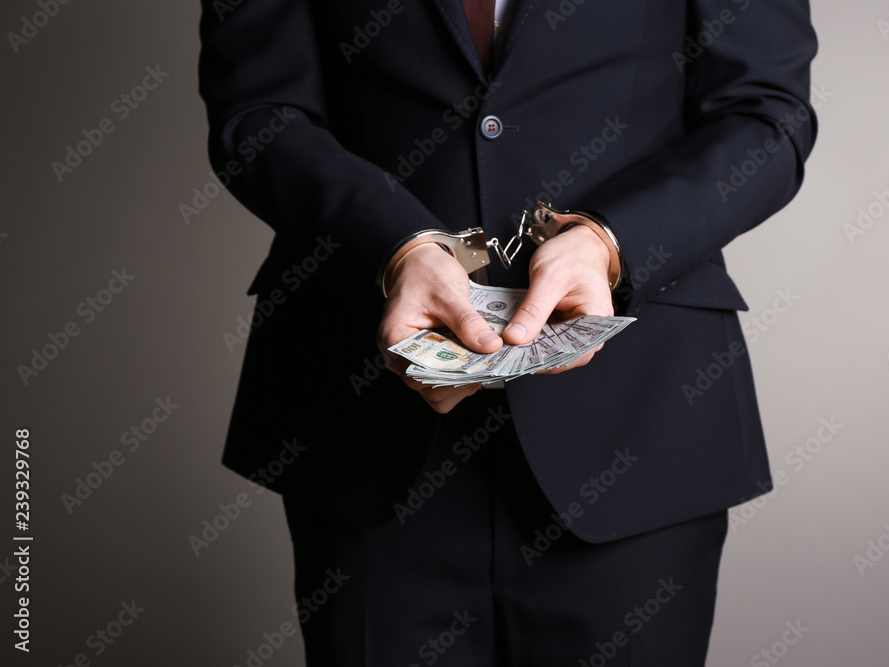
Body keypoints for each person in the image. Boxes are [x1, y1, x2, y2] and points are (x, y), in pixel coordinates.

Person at [198, 0, 817, 664]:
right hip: (368, 424)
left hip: (639, 423)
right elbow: (257, 112)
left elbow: (766, 115)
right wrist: (393, 247)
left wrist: (611, 242)